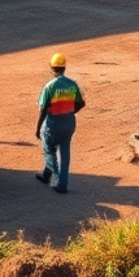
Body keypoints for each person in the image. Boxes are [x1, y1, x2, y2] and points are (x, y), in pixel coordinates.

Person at [35, 52, 85, 194]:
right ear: (64, 67)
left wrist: (37, 128)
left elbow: (43, 109)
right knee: (65, 153)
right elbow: (81, 103)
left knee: (48, 150)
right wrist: (70, 112)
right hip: (68, 123)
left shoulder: (49, 87)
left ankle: (54, 179)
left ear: (51, 67)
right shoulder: (72, 85)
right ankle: (56, 179)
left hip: (53, 124)